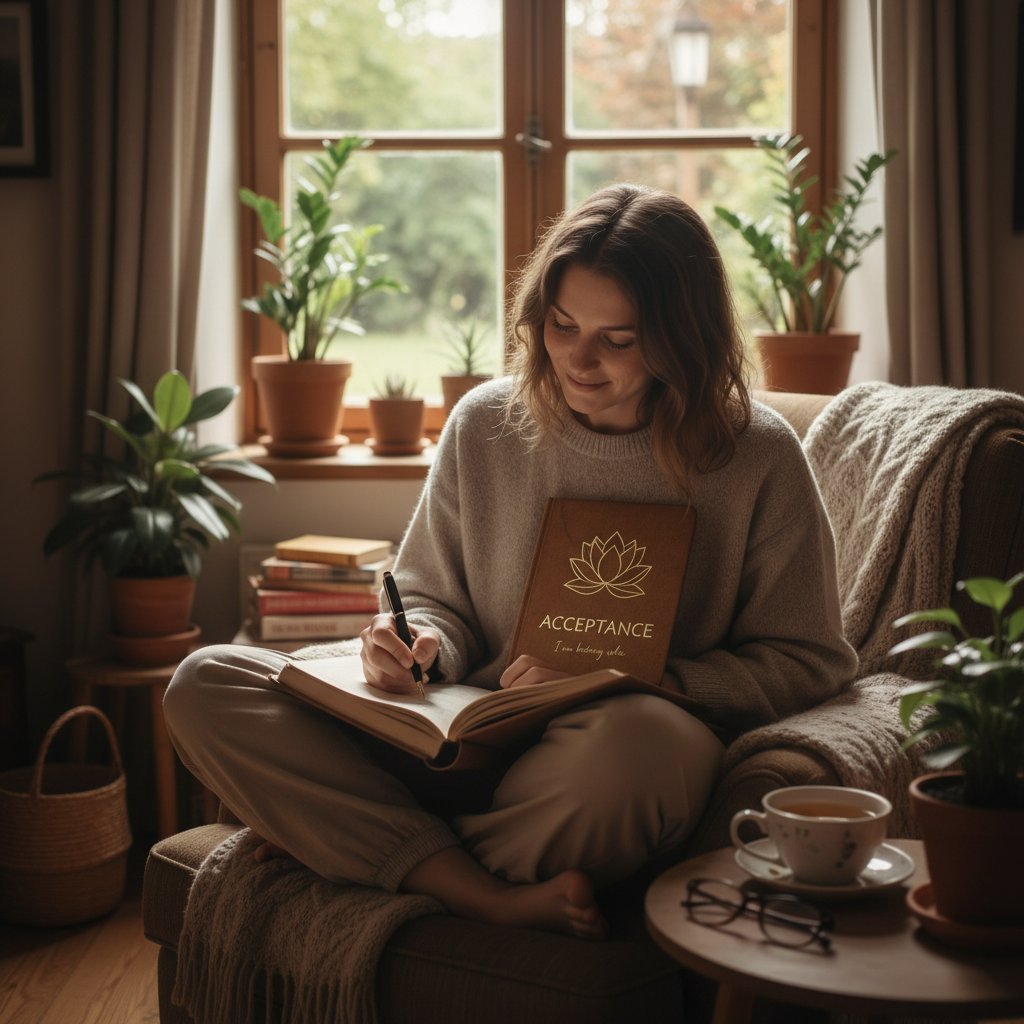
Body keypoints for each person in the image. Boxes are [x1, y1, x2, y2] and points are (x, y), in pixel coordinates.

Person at [164, 183, 857, 941]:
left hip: (600, 760)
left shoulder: (755, 454)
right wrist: (418, 644)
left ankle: (363, 850)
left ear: (682, 337)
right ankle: (474, 888)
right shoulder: (487, 422)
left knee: (637, 753)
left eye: (617, 340)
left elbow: (809, 659)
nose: (579, 360)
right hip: (462, 733)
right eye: (562, 325)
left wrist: (654, 681)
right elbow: (431, 597)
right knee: (206, 681)